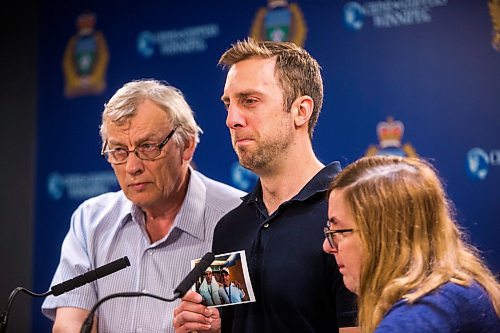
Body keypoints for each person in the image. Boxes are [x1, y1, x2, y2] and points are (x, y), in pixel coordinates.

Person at [173, 38, 357, 332]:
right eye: (228, 104)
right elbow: (227, 325)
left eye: (250, 101)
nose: (232, 119)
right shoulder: (230, 227)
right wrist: (208, 328)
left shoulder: (351, 213)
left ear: (301, 111)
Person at [41, 79, 245, 333]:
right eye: (118, 150)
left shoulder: (234, 218)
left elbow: (228, 323)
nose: (132, 167)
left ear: (187, 146)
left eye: (147, 147)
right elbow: (71, 324)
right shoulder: (90, 220)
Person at [323, 155, 500, 333]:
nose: (328, 247)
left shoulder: (428, 310)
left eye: (339, 232)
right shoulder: (453, 291)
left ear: (384, 236)